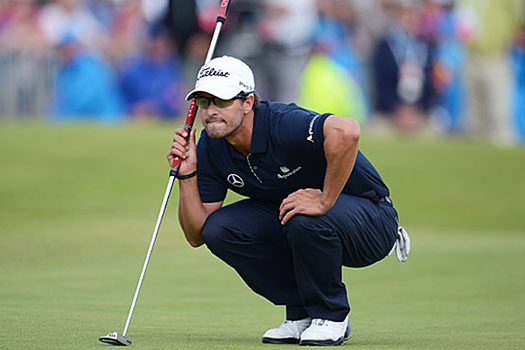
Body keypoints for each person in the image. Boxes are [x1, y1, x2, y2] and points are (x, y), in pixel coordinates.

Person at [167, 56, 410, 346]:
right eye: (205, 102)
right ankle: (302, 313)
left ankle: (331, 315)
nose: (210, 111)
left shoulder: (282, 122)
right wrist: (188, 174)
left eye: (221, 101)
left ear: (248, 103)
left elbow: (347, 132)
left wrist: (324, 199)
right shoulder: (210, 145)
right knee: (220, 229)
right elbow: (197, 234)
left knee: (303, 215)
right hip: (300, 222)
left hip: (371, 219)